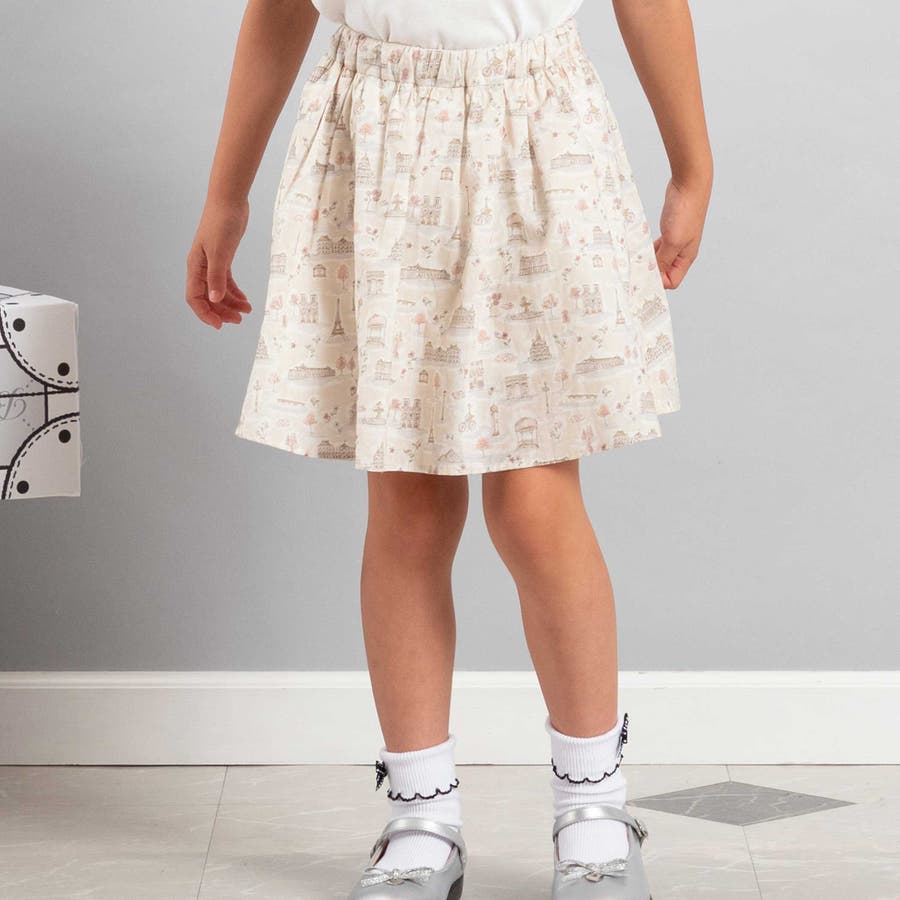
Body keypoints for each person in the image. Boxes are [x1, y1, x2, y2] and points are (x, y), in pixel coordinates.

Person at [186, 0, 712, 896]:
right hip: (374, 138)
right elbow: (278, 8)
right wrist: (226, 191)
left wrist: (693, 165)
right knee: (408, 504)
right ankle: (420, 815)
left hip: (534, 134)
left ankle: (594, 805)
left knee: (536, 504)